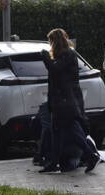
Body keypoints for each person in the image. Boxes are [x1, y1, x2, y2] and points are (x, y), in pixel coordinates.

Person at [39, 28, 99, 173]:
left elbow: (55, 70)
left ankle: (90, 155)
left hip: (65, 102)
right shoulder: (65, 55)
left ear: (55, 41)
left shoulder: (67, 55)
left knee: (69, 131)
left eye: (51, 41)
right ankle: (54, 163)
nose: (50, 45)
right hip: (62, 101)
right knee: (58, 132)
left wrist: (46, 58)